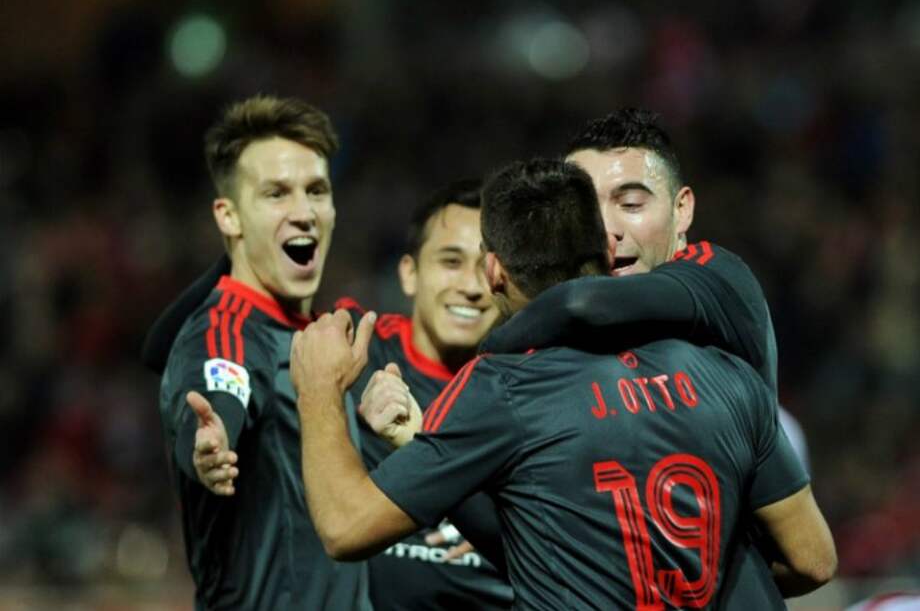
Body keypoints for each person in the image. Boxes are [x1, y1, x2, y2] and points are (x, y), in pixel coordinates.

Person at [289, 158, 837, 609]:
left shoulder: (502, 388)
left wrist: (317, 389)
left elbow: (345, 527)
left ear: (494, 271)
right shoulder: (724, 371)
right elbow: (814, 559)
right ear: (604, 251)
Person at [479, 108, 812, 604]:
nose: (606, 230)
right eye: (585, 209)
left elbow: (581, 303)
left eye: (631, 202)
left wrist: (490, 350)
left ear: (682, 210)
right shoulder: (559, 346)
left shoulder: (720, 280)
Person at [155, 95, 371, 610]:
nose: (303, 211)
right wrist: (209, 443)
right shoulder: (224, 327)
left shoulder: (317, 334)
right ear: (228, 216)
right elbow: (217, 390)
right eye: (276, 194)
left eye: (316, 190)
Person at [335, 180, 513, 609]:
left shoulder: (528, 382)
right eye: (451, 261)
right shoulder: (356, 349)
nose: (471, 286)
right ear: (410, 273)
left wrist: (496, 528)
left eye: (486, 266)